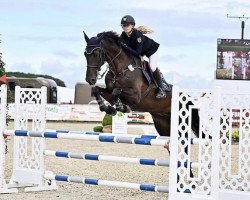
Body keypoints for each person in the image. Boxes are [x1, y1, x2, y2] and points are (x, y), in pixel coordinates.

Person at [119, 15, 170, 99]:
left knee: (152, 66)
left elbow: (137, 52)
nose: (125, 27)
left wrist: (125, 46)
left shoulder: (138, 36)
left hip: (151, 51)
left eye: (127, 25)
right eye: (123, 25)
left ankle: (161, 89)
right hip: (141, 52)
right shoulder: (123, 35)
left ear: (132, 25)